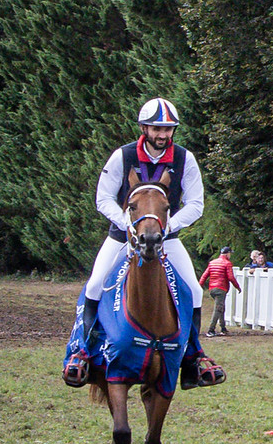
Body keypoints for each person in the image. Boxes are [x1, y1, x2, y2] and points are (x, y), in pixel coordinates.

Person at [62, 97, 225, 390]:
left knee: (193, 290)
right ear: (144, 128)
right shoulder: (122, 156)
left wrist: (167, 226)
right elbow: (103, 198)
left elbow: (196, 204)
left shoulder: (184, 159)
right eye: (157, 129)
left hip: (166, 238)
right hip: (122, 236)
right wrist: (128, 223)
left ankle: (192, 360)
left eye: (169, 129)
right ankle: (81, 352)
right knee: (96, 283)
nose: (163, 135)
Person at [202, 245, 241, 337]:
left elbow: (204, 275)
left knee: (221, 308)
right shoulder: (227, 263)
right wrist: (238, 287)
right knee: (218, 309)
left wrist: (199, 286)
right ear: (227, 254)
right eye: (230, 253)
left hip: (212, 288)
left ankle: (223, 328)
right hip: (221, 288)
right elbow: (231, 277)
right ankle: (211, 330)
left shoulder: (212, 263)